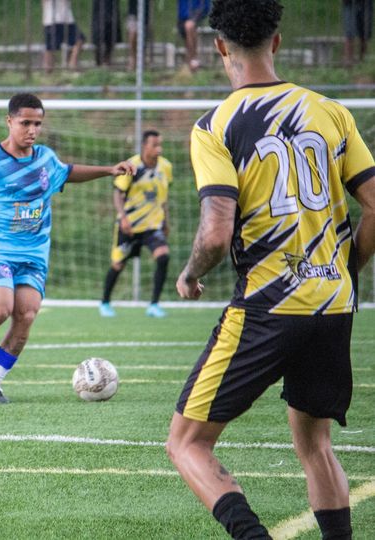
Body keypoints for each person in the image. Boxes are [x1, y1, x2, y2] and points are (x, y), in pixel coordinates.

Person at [166, 1, 375, 538]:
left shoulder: (216, 126)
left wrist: (189, 274)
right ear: (277, 41)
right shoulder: (330, 111)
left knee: (186, 442)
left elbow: (215, 232)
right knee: (314, 444)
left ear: (219, 46)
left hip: (269, 305)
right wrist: (348, 265)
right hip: (333, 302)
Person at [0, 93, 135, 404]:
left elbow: (68, 172)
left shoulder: (45, 158)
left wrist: (110, 170)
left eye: (37, 124)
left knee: (26, 314)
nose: (32, 129)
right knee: (0, 308)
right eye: (25, 122)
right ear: (9, 122)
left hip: (33, 253)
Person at [99, 129, 171, 318]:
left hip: (152, 226)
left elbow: (164, 198)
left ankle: (154, 305)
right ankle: (105, 302)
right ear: (144, 146)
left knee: (163, 257)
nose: (159, 149)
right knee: (117, 265)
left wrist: (166, 221)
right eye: (154, 145)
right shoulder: (132, 166)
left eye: (160, 144)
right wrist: (122, 217)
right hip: (129, 226)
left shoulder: (166, 167)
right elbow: (117, 194)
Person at [42, 0, 85, 73]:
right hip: (51, 20)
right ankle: (48, 71)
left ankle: (72, 63)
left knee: (80, 39)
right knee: (50, 48)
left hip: (67, 19)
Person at [178, 0, 210, 72]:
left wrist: (195, 18)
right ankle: (189, 63)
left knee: (189, 26)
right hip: (182, 17)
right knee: (186, 31)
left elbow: (205, 7)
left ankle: (193, 59)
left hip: (197, 15)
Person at [90, 0, 120, 67]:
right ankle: (99, 62)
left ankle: (107, 60)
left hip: (111, 9)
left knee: (111, 36)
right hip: (99, 10)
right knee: (98, 37)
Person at [342, 0, 373, 65]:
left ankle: (362, 61)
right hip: (349, 4)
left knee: (364, 34)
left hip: (366, 4)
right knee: (349, 33)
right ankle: (348, 61)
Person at [127, 0, 152, 71]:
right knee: (132, 34)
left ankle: (140, 60)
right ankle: (132, 58)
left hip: (145, 14)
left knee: (142, 36)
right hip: (133, 13)